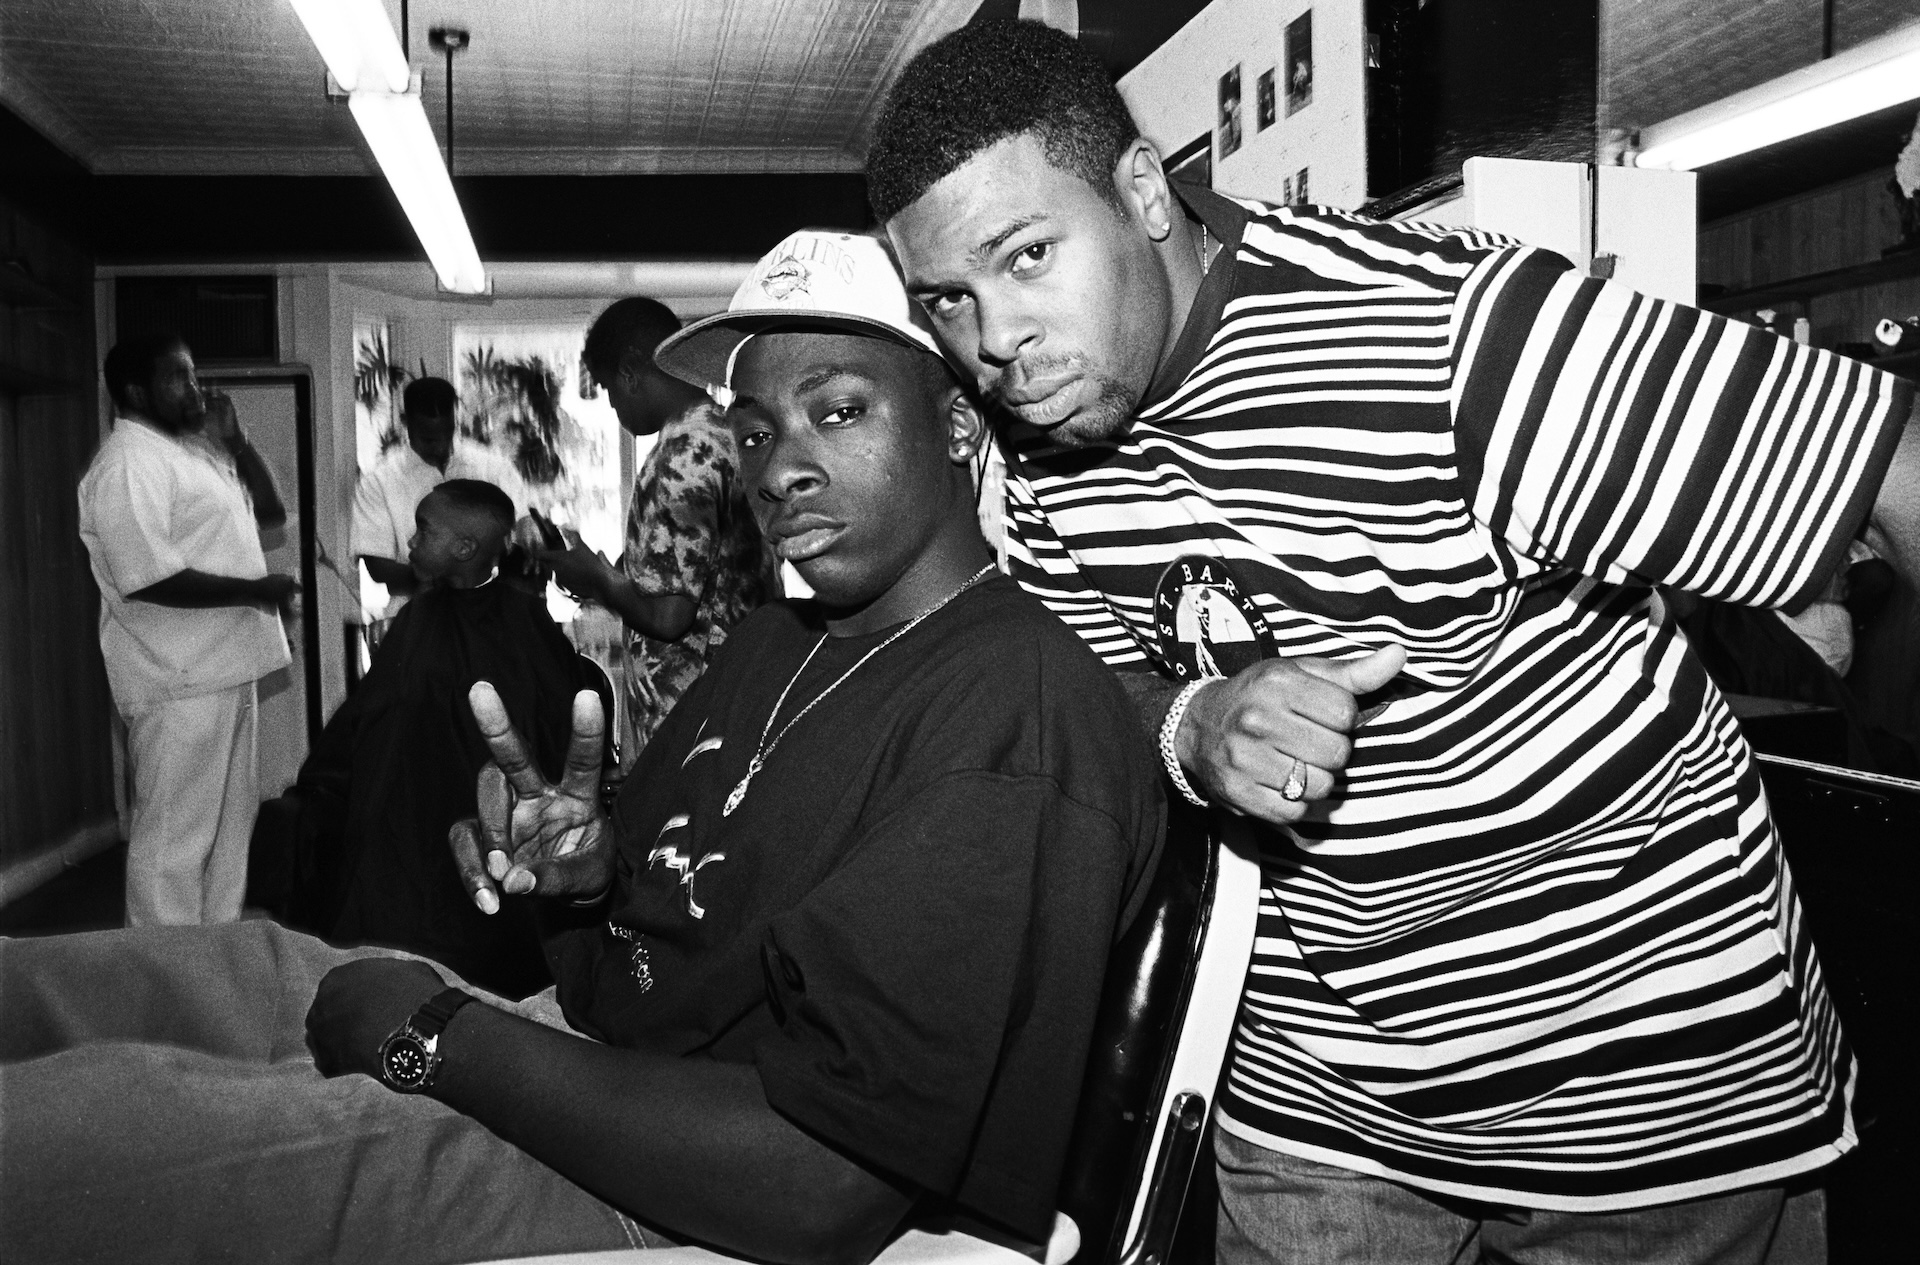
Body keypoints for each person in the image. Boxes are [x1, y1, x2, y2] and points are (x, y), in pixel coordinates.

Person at [867, 18, 1920, 1265]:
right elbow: (1105, 683)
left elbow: (1895, 474)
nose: (996, 343)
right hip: (1323, 1101)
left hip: (1644, 1097)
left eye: (1029, 257)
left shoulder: (1450, 335)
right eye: (950, 300)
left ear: (1144, 193)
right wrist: (1192, 723)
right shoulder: (1036, 451)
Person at [0, 234, 1163, 1265]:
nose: (779, 464)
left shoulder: (1012, 713)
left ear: (961, 422)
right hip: (587, 1053)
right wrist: (582, 870)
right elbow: (626, 926)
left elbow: (824, 1183)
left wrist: (434, 1040)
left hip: (665, 1179)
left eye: (840, 408)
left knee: (97, 1135)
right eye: (755, 428)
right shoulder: (774, 641)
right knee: (199, 969)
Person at [292, 480, 596, 997]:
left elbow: (553, 715)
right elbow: (370, 718)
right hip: (410, 807)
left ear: (463, 549)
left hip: (492, 812)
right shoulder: (416, 618)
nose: (409, 542)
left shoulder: (523, 620)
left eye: (423, 530)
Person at [77, 333, 298, 926]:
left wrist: (237, 443)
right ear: (134, 391)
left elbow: (271, 513)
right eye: (179, 378)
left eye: (194, 375)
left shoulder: (192, 453)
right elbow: (144, 577)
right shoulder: (126, 465)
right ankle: (160, 975)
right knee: (173, 842)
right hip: (176, 679)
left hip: (226, 670)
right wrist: (256, 590)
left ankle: (211, 962)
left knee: (229, 833)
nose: (195, 389)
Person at [540, 297, 775, 759]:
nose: (612, 405)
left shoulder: (680, 457)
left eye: (608, 388)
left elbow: (669, 618)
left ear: (630, 369)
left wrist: (599, 580)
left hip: (694, 720)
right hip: (743, 691)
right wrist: (605, 574)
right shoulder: (725, 433)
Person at [351, 376, 528, 620]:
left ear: (454, 420)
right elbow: (378, 567)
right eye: (429, 439)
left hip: (491, 613)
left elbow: (520, 538)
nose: (441, 447)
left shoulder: (492, 467)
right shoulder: (379, 482)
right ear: (406, 423)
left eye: (448, 433)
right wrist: (442, 581)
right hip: (417, 616)